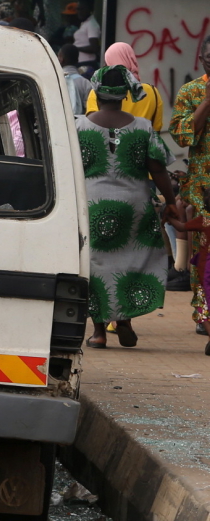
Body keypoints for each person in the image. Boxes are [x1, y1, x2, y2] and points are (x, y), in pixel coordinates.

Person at [81, 65, 178, 349]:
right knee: (133, 261)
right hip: (134, 206)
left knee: (95, 265)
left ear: (95, 93)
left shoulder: (78, 126)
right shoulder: (143, 127)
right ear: (125, 95)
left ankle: (99, 331)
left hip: (93, 207)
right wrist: (171, 203)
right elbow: (158, 169)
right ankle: (124, 320)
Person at [172, 35, 210, 341]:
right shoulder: (191, 91)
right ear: (202, 59)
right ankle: (203, 312)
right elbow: (182, 137)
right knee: (202, 252)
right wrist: (207, 101)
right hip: (203, 186)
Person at [85, 43, 164, 130]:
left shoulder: (98, 92)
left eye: (106, 63)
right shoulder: (152, 92)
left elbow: (92, 128)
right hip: (144, 142)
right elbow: (156, 129)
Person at [72, 0, 102, 73]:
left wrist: (75, 48)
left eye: (82, 9)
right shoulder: (85, 23)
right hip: (81, 63)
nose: (79, 12)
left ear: (90, 9)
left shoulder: (92, 24)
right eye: (78, 9)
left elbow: (94, 47)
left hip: (87, 65)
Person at [60, 45, 91, 118]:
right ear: (77, 60)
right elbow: (89, 109)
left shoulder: (54, 80)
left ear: (61, 59)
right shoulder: (85, 83)